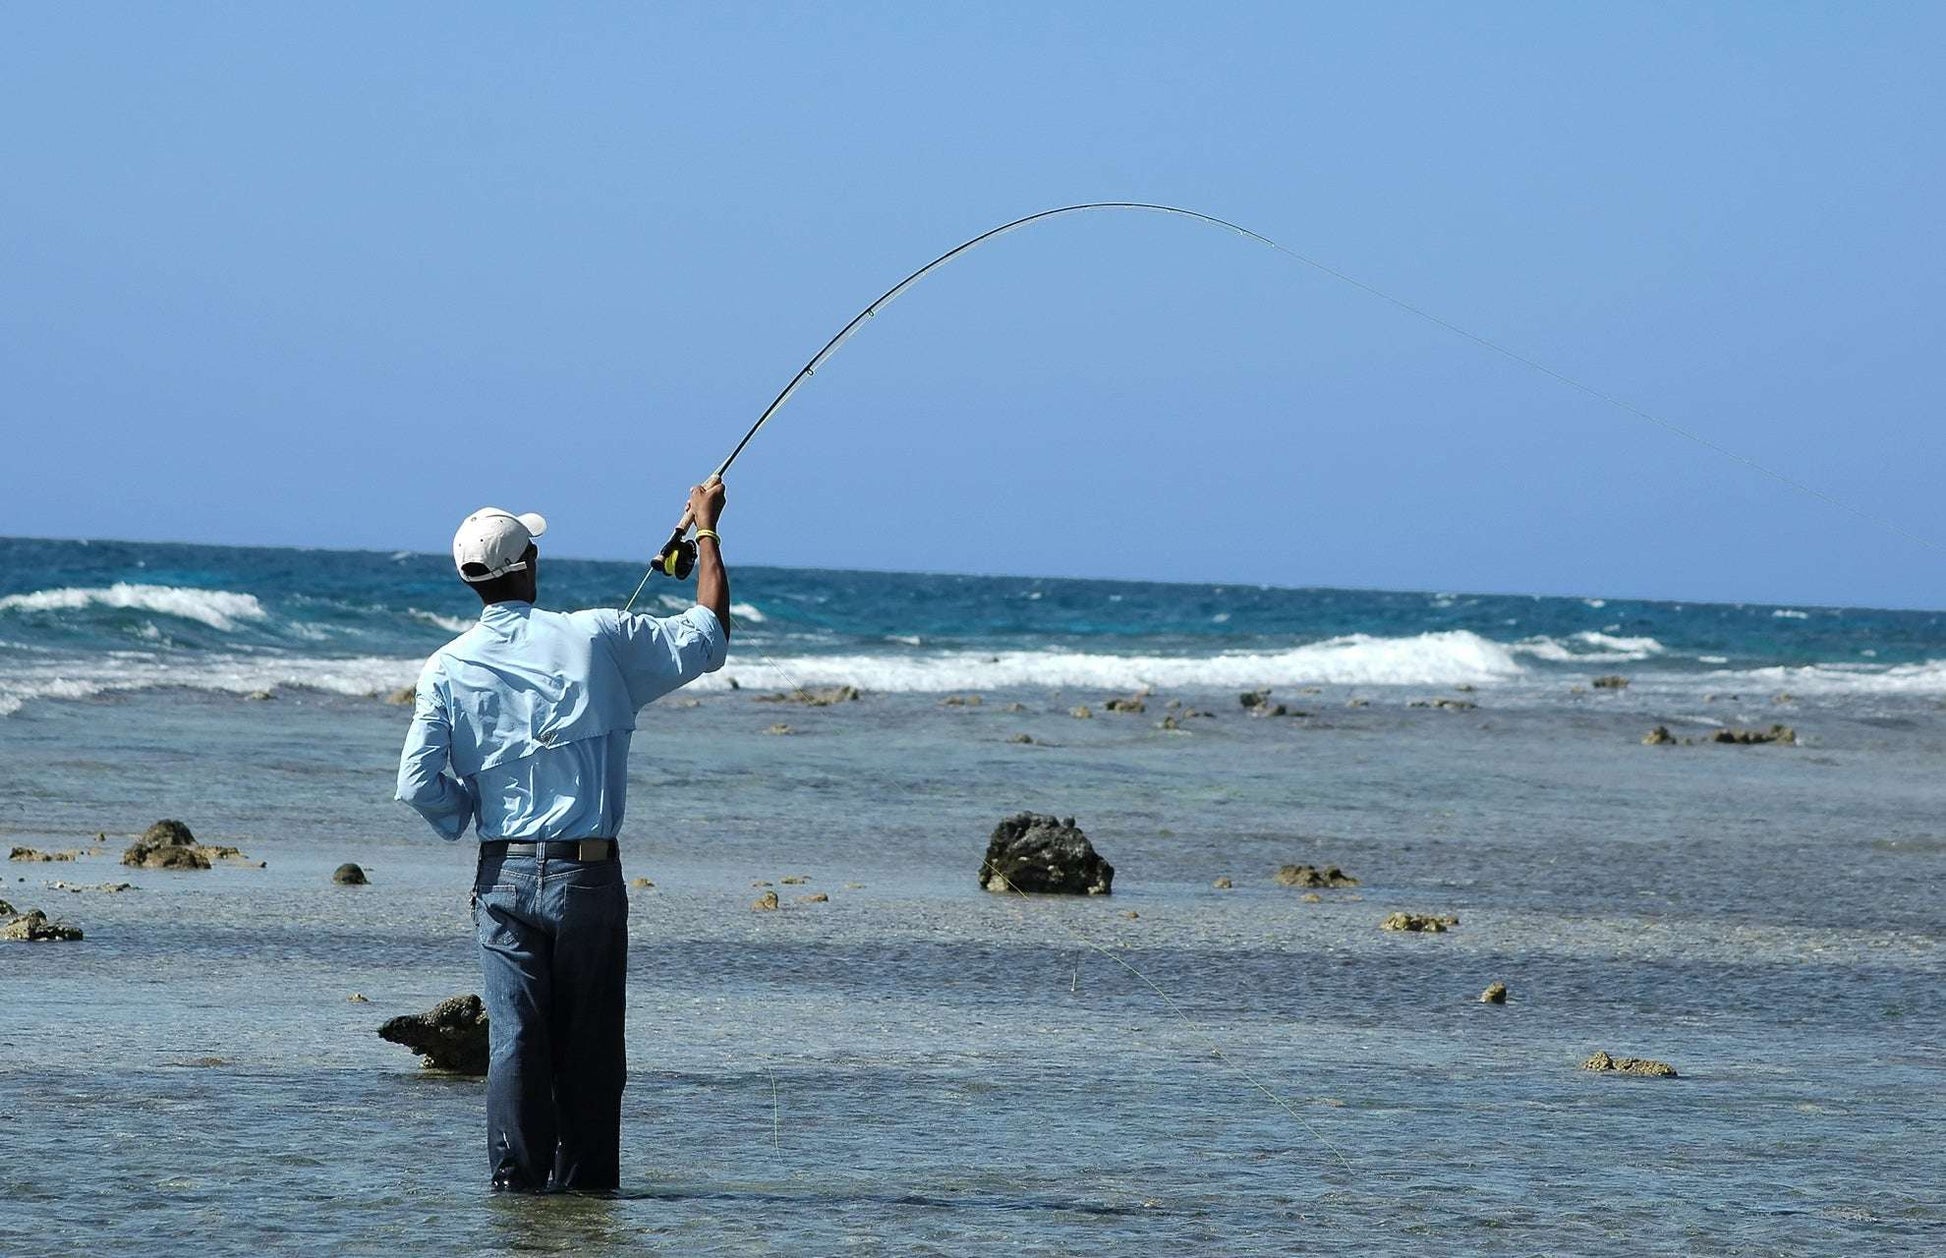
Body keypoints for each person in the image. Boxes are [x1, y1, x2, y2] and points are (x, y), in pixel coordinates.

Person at [396, 481, 729, 1192]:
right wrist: (705, 534)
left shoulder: (446, 666)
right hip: (587, 874)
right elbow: (707, 637)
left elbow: (416, 784)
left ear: (468, 580)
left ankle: (515, 1191)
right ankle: (584, 1193)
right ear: (532, 564)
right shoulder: (597, 635)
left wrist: (469, 812)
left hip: (503, 874)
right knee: (590, 1046)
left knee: (516, 1038)